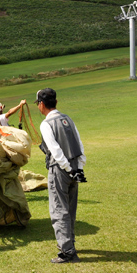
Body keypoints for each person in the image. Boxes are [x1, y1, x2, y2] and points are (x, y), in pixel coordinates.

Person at [35, 88, 87, 264]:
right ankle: (70, 243)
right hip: (75, 166)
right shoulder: (68, 119)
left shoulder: (46, 124)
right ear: (56, 103)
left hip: (60, 169)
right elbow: (79, 143)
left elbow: (55, 151)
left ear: (41, 104)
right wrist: (78, 168)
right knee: (70, 208)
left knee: (59, 209)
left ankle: (67, 252)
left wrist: (67, 168)